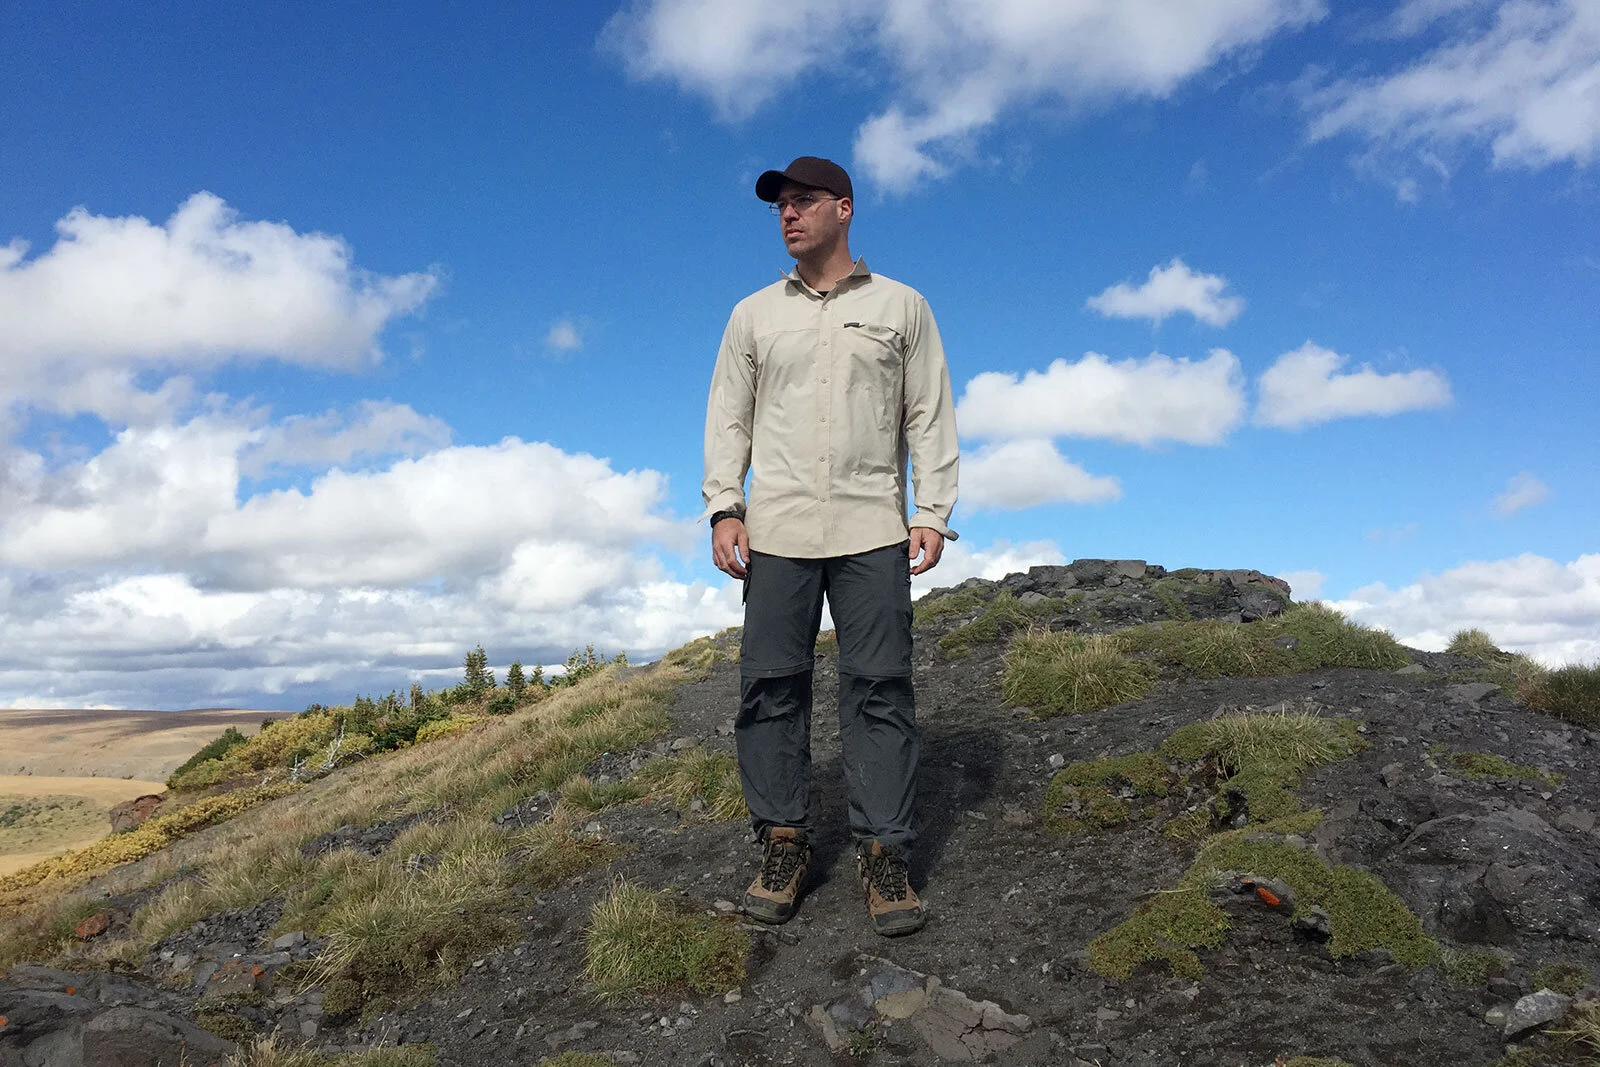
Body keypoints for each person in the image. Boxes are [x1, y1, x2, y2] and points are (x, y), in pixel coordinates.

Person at [701, 155, 959, 937]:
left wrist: (933, 508)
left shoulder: (902, 306)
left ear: (844, 209)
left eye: (804, 201)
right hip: (775, 531)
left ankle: (884, 852)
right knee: (770, 687)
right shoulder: (752, 315)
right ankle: (783, 840)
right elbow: (728, 417)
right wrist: (724, 507)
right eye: (780, 205)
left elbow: (929, 411)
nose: (787, 214)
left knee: (880, 686)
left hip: (872, 527)